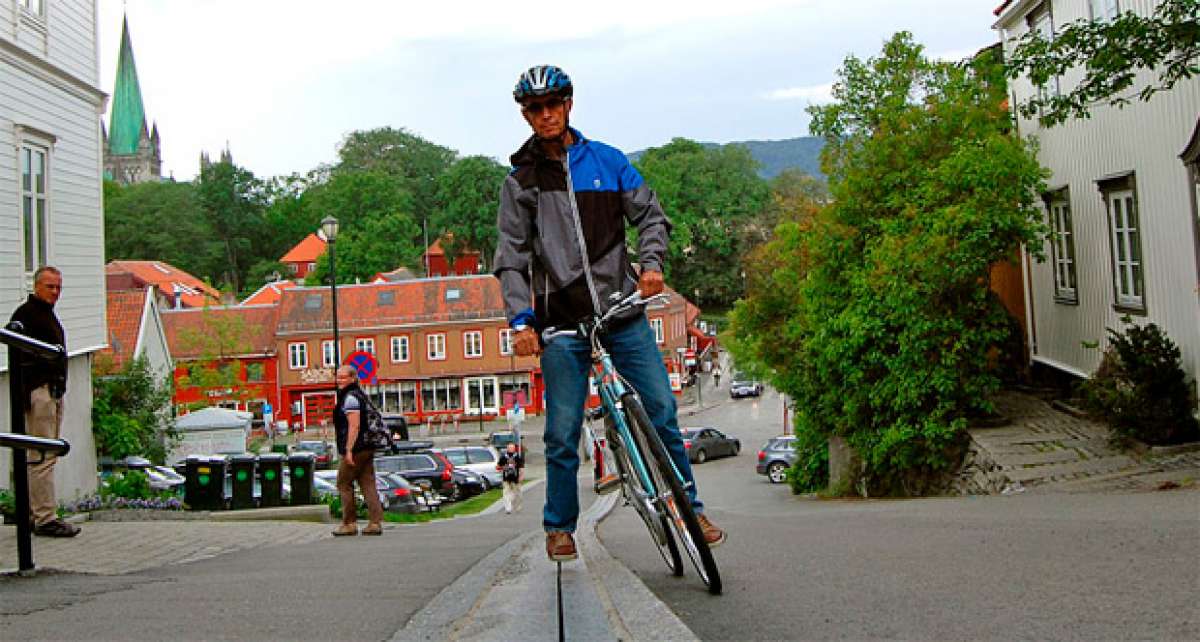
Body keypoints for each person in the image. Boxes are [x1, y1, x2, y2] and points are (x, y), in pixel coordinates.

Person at [493, 65, 726, 562]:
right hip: (560, 323)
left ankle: (691, 508)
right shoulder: (521, 184)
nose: (547, 114)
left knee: (662, 410)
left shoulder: (609, 162)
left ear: (569, 104)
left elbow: (650, 215)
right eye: (536, 108)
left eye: (554, 103)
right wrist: (520, 321)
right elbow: (511, 259)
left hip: (621, 310)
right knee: (560, 431)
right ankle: (559, 526)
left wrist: (653, 265)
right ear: (525, 115)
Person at [8, 266, 78, 538]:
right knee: (42, 454)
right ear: (37, 286)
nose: (55, 292)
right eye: (50, 287)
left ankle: (30, 512)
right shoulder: (27, 315)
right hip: (40, 393)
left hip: (49, 390)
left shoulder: (42, 315)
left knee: (38, 453)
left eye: (59, 287)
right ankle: (45, 517)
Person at [331, 365, 383, 536]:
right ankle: (375, 522)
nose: (339, 380)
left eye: (343, 377)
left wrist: (348, 450)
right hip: (368, 446)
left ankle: (349, 523)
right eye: (337, 377)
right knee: (367, 482)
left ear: (353, 378)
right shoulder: (361, 395)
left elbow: (354, 425)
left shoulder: (350, 398)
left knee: (343, 483)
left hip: (357, 447)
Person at [495, 443, 524, 514]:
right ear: (507, 449)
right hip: (506, 479)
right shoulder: (503, 457)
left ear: (514, 449)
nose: (511, 449)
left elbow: (521, 468)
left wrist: (521, 476)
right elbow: (497, 467)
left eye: (513, 448)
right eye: (510, 448)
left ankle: (517, 507)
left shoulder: (517, 457)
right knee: (506, 493)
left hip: (516, 479)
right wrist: (503, 467)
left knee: (518, 494)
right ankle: (508, 509)